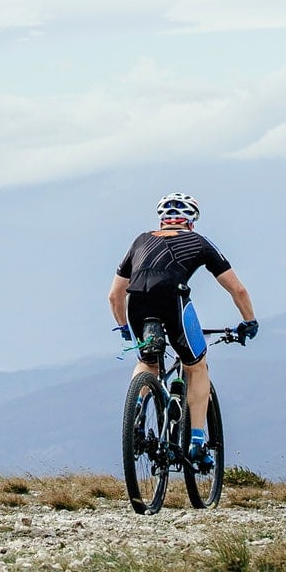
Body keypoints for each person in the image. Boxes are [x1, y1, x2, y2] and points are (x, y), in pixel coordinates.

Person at [108, 193, 258, 465]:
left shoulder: (141, 240)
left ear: (162, 221)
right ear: (191, 222)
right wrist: (249, 321)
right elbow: (238, 289)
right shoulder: (198, 241)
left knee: (147, 362)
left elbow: (115, 295)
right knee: (196, 366)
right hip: (173, 303)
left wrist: (124, 328)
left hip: (137, 304)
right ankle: (198, 443)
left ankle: (137, 414)